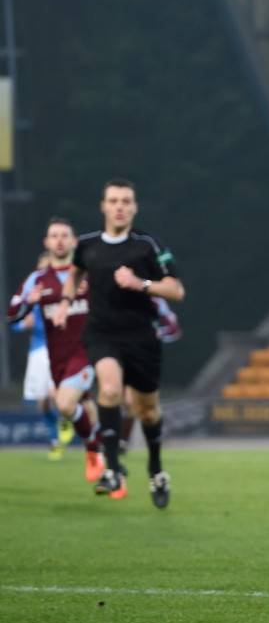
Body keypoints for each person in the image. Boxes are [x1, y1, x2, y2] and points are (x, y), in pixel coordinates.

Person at [56, 178, 185, 505]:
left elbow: (176, 290)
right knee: (110, 389)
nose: (119, 207)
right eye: (113, 201)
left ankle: (156, 469)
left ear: (134, 207)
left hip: (141, 336)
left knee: (148, 411)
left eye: (126, 201)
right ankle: (113, 467)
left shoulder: (147, 245)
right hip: (102, 333)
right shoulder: (86, 244)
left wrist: (139, 282)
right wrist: (65, 300)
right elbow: (75, 272)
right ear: (103, 205)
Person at [6, 219, 105, 481]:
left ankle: (95, 447)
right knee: (72, 404)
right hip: (55, 358)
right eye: (54, 236)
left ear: (74, 242)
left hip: (85, 352)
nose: (59, 240)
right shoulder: (37, 279)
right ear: (47, 243)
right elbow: (11, 315)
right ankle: (98, 447)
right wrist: (29, 302)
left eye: (64, 235)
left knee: (64, 402)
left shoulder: (87, 275)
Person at [8, 252, 65, 458]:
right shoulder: (32, 294)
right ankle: (54, 439)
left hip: (57, 347)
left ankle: (67, 419)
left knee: (55, 394)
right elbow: (14, 323)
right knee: (42, 402)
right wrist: (24, 323)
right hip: (37, 350)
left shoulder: (62, 294)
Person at [119, 297, 182, 453]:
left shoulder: (156, 301)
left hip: (145, 359)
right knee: (122, 399)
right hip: (120, 355)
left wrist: (156, 334)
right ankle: (120, 441)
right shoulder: (116, 298)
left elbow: (174, 329)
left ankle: (146, 439)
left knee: (144, 407)